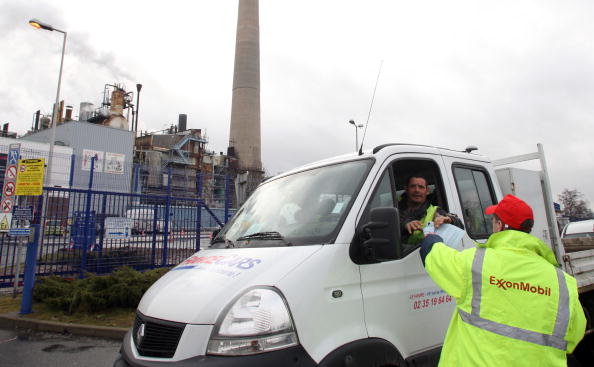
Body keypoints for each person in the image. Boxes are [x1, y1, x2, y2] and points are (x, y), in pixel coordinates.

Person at [419, 194, 586, 366]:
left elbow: (434, 256)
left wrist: (431, 236)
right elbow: (573, 336)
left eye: (494, 220)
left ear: (499, 225)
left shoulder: (476, 263)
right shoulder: (562, 282)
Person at [398, 174, 463, 244]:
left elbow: (460, 226)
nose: (417, 190)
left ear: (427, 191)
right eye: (413, 186)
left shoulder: (435, 211)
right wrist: (404, 225)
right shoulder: (394, 210)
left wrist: (450, 219)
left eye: (421, 187)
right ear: (406, 189)